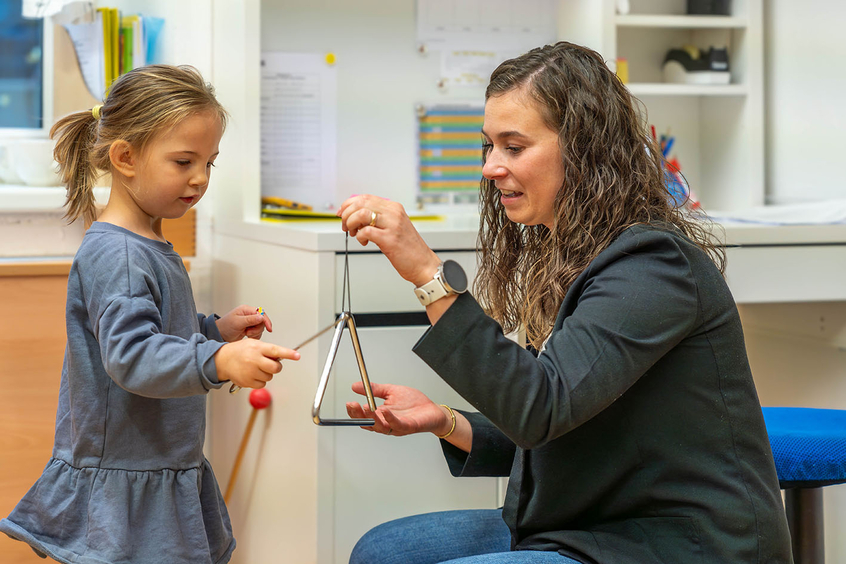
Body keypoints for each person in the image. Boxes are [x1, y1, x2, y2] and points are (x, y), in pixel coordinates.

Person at [338, 42, 792, 564]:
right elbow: (560, 419)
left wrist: (428, 275)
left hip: (677, 545)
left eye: (513, 146)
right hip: (590, 522)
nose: (490, 166)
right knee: (381, 552)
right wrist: (444, 420)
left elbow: (541, 408)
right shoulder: (573, 253)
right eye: (488, 146)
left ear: (583, 148)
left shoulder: (652, 266)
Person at [0, 65, 300, 564]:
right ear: (125, 157)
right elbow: (133, 356)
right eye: (184, 161)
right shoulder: (117, 255)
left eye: (210, 162)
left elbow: (160, 331)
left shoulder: (149, 243)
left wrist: (214, 330)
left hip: (158, 461)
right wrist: (219, 360)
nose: (200, 178)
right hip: (124, 475)